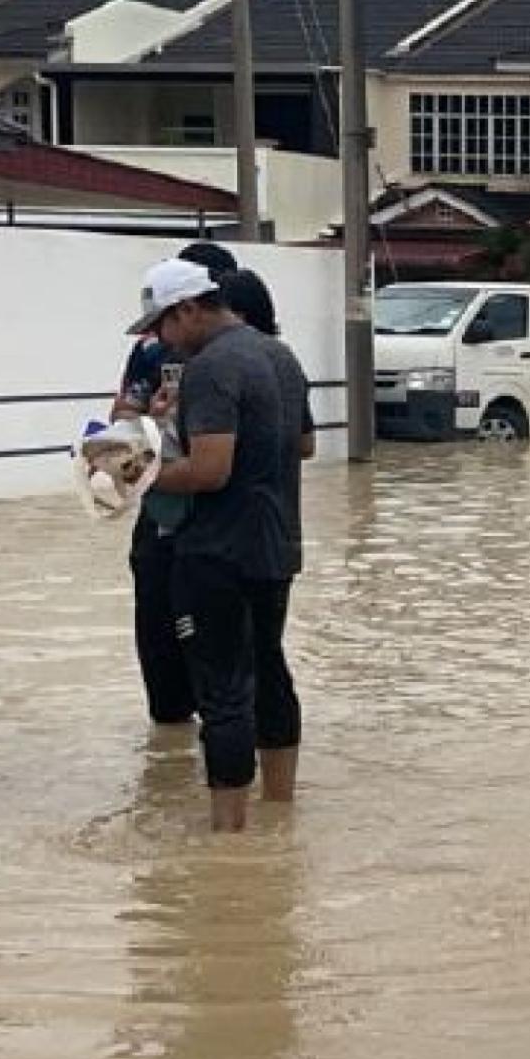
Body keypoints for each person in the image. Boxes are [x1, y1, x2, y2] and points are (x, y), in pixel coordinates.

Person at [137, 259, 305, 832]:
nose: (160, 341)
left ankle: (228, 839)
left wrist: (141, 473)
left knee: (224, 692)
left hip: (216, 552)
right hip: (275, 544)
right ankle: (280, 811)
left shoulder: (210, 368)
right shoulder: (281, 356)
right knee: (271, 670)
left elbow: (210, 471)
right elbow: (301, 445)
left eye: (162, 326)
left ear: (187, 310)